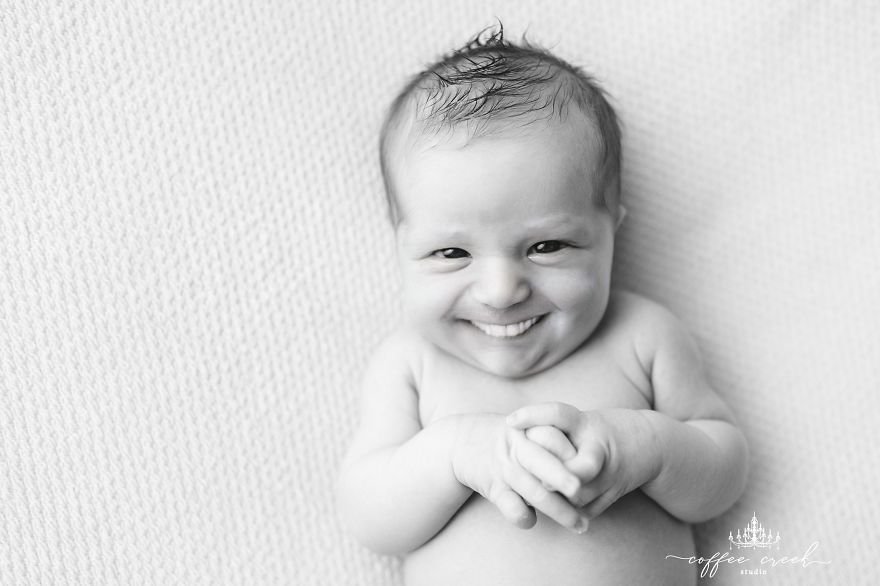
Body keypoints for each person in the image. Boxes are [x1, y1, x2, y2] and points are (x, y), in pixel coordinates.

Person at [337, 25, 748, 585]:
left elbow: (721, 478)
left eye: (546, 247)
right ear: (399, 244)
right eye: (451, 252)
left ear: (610, 233)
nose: (502, 291)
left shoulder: (642, 336)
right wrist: (453, 454)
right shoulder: (411, 364)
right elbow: (370, 518)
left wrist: (649, 447)